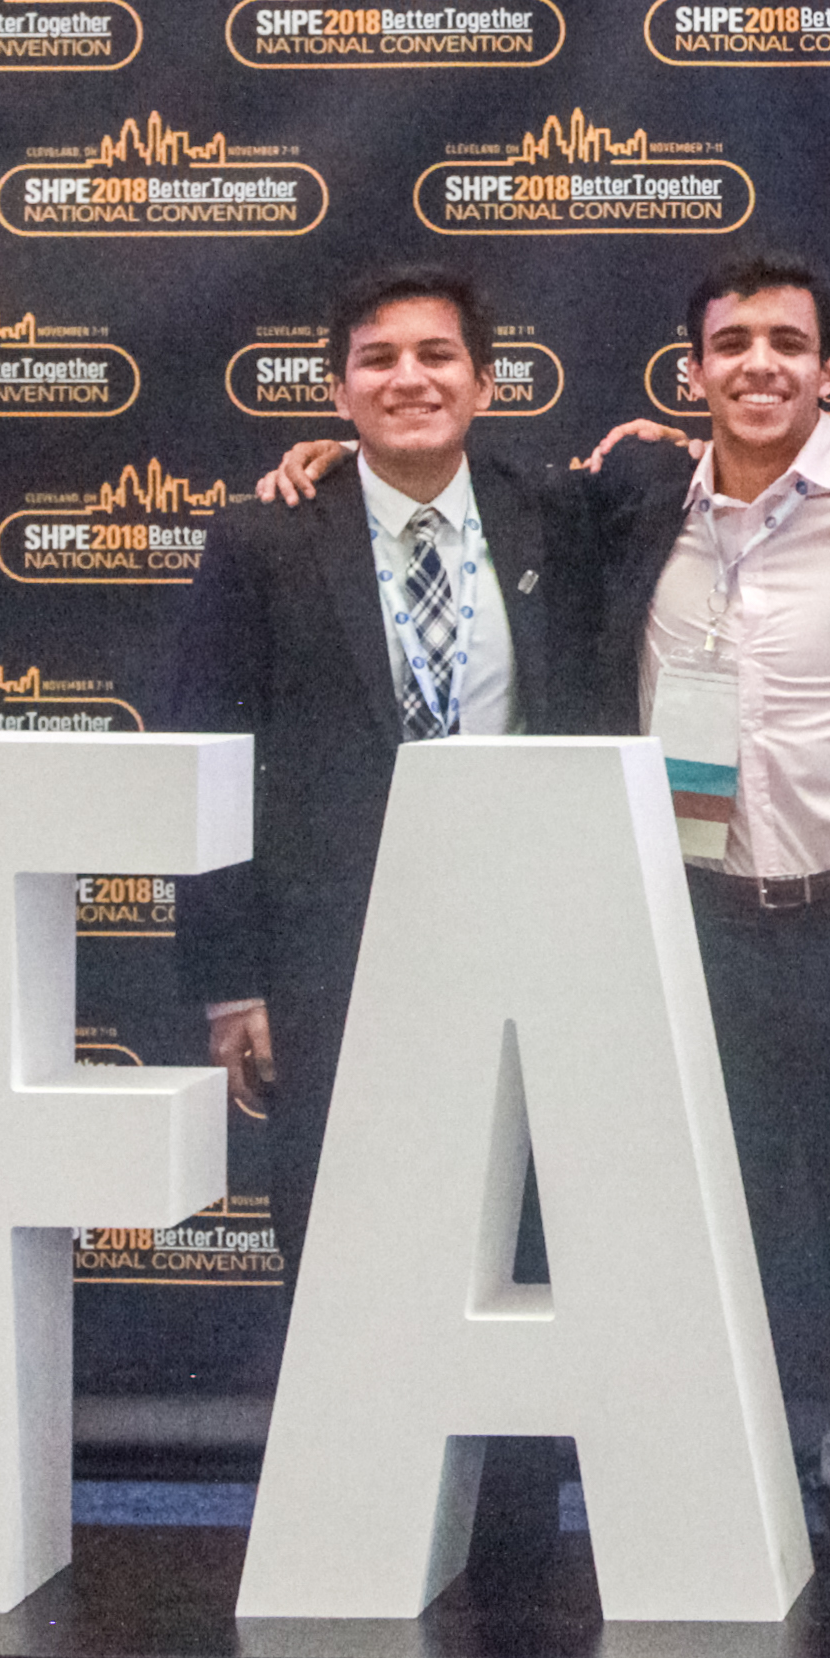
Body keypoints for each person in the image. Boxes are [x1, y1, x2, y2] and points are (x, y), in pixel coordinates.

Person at [161, 266, 587, 1563]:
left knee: (515, 1226)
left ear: (486, 381)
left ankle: (508, 1528)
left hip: (522, 939)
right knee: (340, 1229)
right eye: (379, 359)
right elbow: (211, 753)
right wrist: (230, 979)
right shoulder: (265, 539)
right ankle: (352, 1517)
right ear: (339, 388)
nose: (411, 378)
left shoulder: (556, 515)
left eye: (438, 356)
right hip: (327, 952)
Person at [581, 251, 830, 1583]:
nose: (759, 363)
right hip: (692, 933)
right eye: (731, 342)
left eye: (787, 342)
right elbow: (459, 487)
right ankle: (719, 1517)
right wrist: (312, 459)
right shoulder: (636, 496)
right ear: (690, 370)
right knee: (707, 1238)